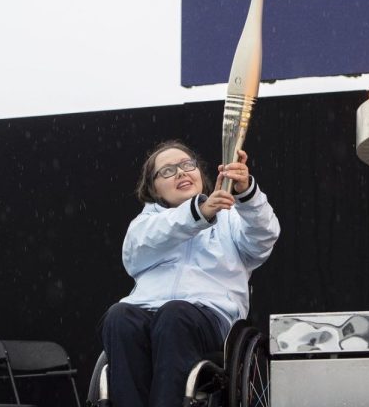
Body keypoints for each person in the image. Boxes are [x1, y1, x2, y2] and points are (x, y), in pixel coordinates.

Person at [99, 141, 280, 407]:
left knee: (174, 315)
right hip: (146, 314)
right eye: (168, 171)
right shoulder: (145, 224)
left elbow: (264, 237)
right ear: (153, 188)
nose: (182, 173)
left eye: (187, 165)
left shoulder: (230, 218)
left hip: (206, 316)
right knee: (118, 316)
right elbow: (138, 249)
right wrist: (198, 213)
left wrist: (246, 193)